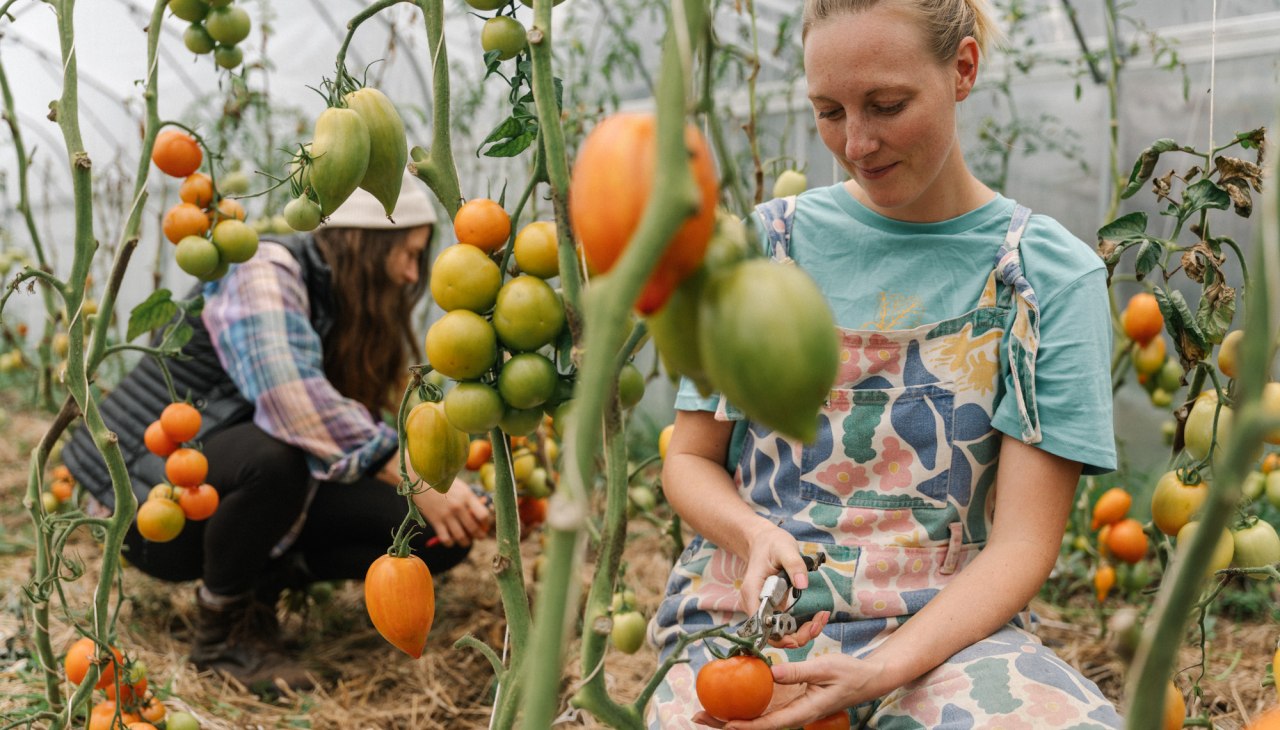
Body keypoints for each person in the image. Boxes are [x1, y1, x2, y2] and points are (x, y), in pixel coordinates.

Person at [648, 1, 1123, 727]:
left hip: (941, 637)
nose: (857, 142)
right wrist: (753, 535)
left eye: (886, 105)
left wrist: (882, 669)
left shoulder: (1044, 277)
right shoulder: (763, 251)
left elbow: (1023, 543)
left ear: (962, 69)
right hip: (752, 628)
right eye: (829, 111)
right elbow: (689, 459)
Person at [63, 178, 492, 690]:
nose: (410, 274)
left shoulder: (336, 305)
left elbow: (346, 424)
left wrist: (460, 497)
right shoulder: (263, 268)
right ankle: (221, 638)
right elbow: (293, 403)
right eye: (410, 254)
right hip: (146, 502)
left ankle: (261, 589)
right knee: (275, 457)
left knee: (433, 532)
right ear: (365, 242)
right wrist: (419, 477)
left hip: (237, 492)